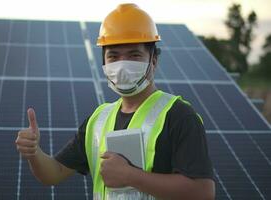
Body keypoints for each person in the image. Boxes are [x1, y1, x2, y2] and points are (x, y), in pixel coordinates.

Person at [16, 3, 215, 200]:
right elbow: (54, 172)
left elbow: (202, 192)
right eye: (114, 56)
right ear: (104, 62)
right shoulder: (99, 120)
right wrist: (34, 152)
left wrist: (130, 175)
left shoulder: (179, 116)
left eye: (134, 55)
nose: (122, 65)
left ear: (153, 60)